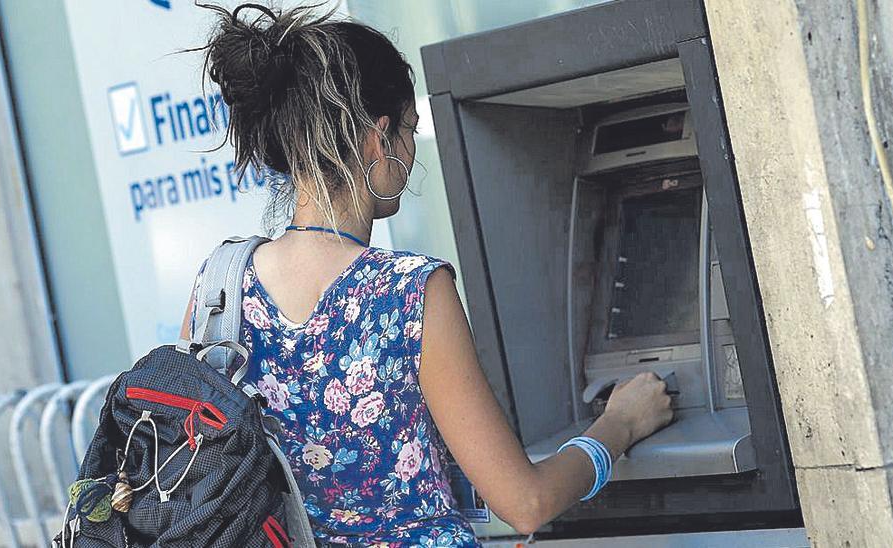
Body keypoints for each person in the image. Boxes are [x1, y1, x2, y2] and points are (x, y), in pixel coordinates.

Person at [180, 4, 674, 546]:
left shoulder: (219, 288)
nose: (411, 156)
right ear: (378, 137)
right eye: (409, 131)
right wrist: (621, 423)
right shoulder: (409, 291)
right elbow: (524, 504)